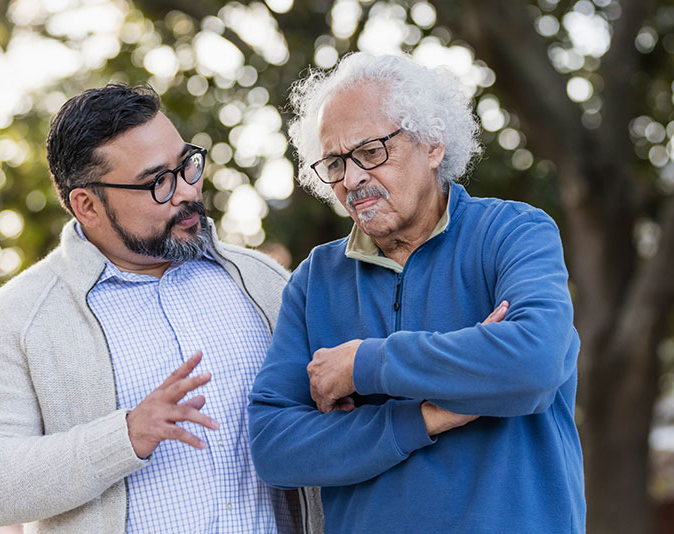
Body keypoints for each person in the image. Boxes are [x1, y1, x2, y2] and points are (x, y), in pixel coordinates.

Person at [0, 84, 321, 534]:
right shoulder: (17, 319)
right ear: (87, 205)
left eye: (187, 165)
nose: (185, 192)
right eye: (157, 181)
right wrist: (125, 436)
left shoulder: (264, 281)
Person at [248, 52, 585, 533]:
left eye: (371, 152)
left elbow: (533, 363)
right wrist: (433, 414)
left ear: (432, 145)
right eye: (336, 162)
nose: (352, 179)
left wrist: (362, 365)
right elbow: (274, 447)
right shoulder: (315, 279)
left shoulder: (514, 231)